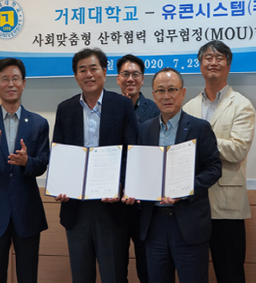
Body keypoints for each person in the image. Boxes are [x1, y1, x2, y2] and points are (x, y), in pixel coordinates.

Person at [54, 48, 139, 283]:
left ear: (104, 71)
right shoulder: (65, 109)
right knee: (81, 276)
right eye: (82, 70)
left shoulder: (122, 105)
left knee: (113, 275)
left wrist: (121, 184)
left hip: (111, 207)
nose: (88, 74)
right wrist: (60, 185)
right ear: (76, 76)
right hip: (76, 207)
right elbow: (60, 153)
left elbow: (132, 150)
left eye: (94, 68)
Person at [131, 67, 222, 283]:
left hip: (188, 224)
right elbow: (138, 169)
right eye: (160, 91)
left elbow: (214, 168)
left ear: (183, 93)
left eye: (172, 89)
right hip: (154, 224)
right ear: (153, 95)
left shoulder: (200, 128)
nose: (166, 96)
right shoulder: (144, 130)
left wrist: (186, 188)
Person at [0, 58, 50, 283]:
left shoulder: (38, 123)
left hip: (27, 212)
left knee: (28, 277)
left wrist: (27, 162)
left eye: (15, 79)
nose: (11, 84)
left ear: (24, 83)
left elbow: (43, 162)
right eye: (5, 79)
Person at [183, 40, 255, 283]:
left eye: (219, 58)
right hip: (194, 205)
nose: (213, 62)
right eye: (208, 57)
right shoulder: (188, 107)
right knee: (194, 273)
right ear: (200, 64)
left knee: (230, 273)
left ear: (228, 65)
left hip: (227, 207)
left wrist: (203, 142)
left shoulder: (242, 105)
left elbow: (237, 150)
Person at [116, 54, 159, 283]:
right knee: (116, 265)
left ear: (142, 79)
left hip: (145, 202)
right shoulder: (108, 108)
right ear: (118, 79)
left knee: (147, 265)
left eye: (135, 74)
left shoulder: (154, 110)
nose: (130, 79)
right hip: (114, 200)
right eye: (125, 74)